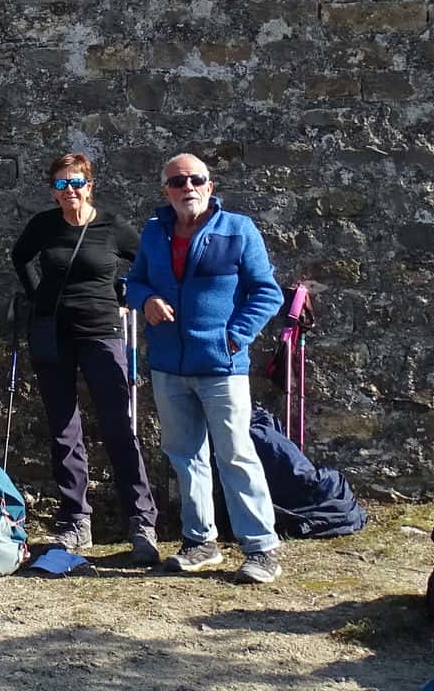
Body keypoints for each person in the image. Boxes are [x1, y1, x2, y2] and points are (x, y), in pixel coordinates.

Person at [122, 152, 286, 584]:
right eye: (178, 182)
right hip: (168, 365)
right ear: (166, 191)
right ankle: (200, 542)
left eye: (196, 180)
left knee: (235, 454)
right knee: (184, 455)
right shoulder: (155, 232)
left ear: (210, 187)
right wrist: (146, 300)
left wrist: (234, 337)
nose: (187, 188)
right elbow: (133, 282)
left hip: (222, 366)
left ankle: (261, 547)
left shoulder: (238, 229)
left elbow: (266, 293)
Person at [10, 152, 159, 563]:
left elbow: (145, 262)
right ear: (52, 190)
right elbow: (20, 256)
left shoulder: (111, 227)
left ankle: (142, 521)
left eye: (76, 183)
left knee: (117, 424)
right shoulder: (43, 225)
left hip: (101, 334)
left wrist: (131, 295)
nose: (69, 191)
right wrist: (38, 293)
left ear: (89, 186)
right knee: (63, 428)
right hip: (52, 334)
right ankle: (76, 520)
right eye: (60, 184)